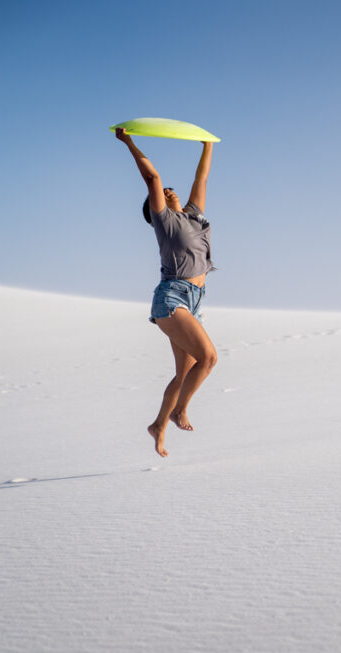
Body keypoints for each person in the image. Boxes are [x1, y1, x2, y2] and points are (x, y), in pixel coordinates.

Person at [115, 127, 218, 457]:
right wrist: (129, 141)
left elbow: (201, 179)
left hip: (194, 301)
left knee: (185, 372)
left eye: (174, 191)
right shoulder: (165, 222)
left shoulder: (193, 216)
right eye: (166, 192)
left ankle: (159, 425)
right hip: (172, 298)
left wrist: (207, 145)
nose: (171, 192)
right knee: (210, 358)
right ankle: (178, 412)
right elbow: (152, 177)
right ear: (156, 207)